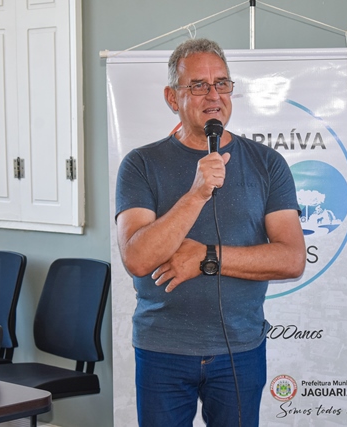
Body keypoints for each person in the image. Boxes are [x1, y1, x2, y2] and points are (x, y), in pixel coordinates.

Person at [115, 38, 306, 426]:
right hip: (163, 350)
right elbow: (136, 258)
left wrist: (207, 257)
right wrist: (197, 194)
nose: (214, 95)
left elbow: (292, 259)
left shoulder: (267, 163)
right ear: (173, 97)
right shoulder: (140, 164)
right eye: (199, 85)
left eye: (222, 83)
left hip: (240, 350)